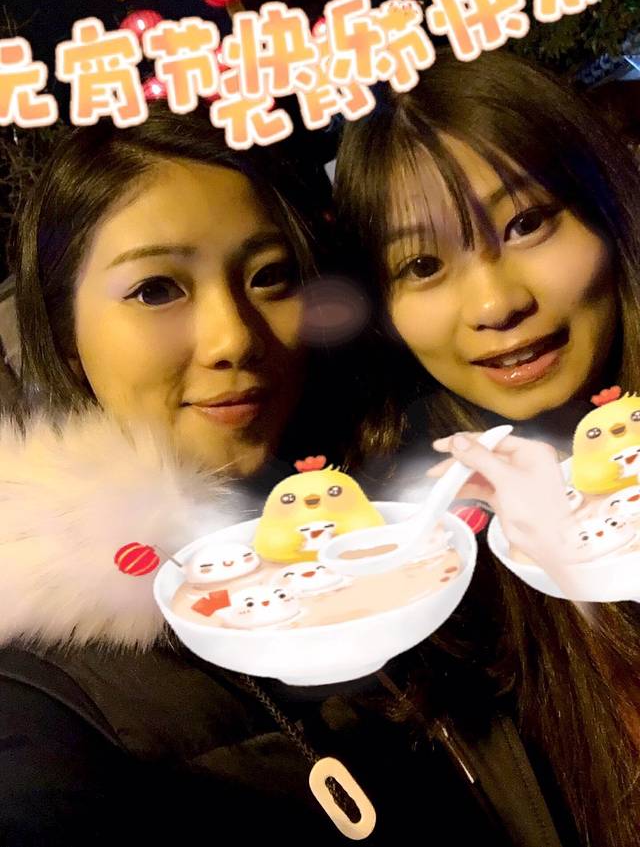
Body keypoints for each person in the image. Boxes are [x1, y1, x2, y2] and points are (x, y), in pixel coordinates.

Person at [0, 102, 552, 847]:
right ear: (66, 333)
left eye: (270, 276)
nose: (234, 338)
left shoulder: (408, 504)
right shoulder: (49, 694)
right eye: (156, 289)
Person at [334, 48, 640, 847]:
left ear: (608, 206)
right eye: (422, 263)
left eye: (527, 222)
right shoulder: (423, 581)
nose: (497, 303)